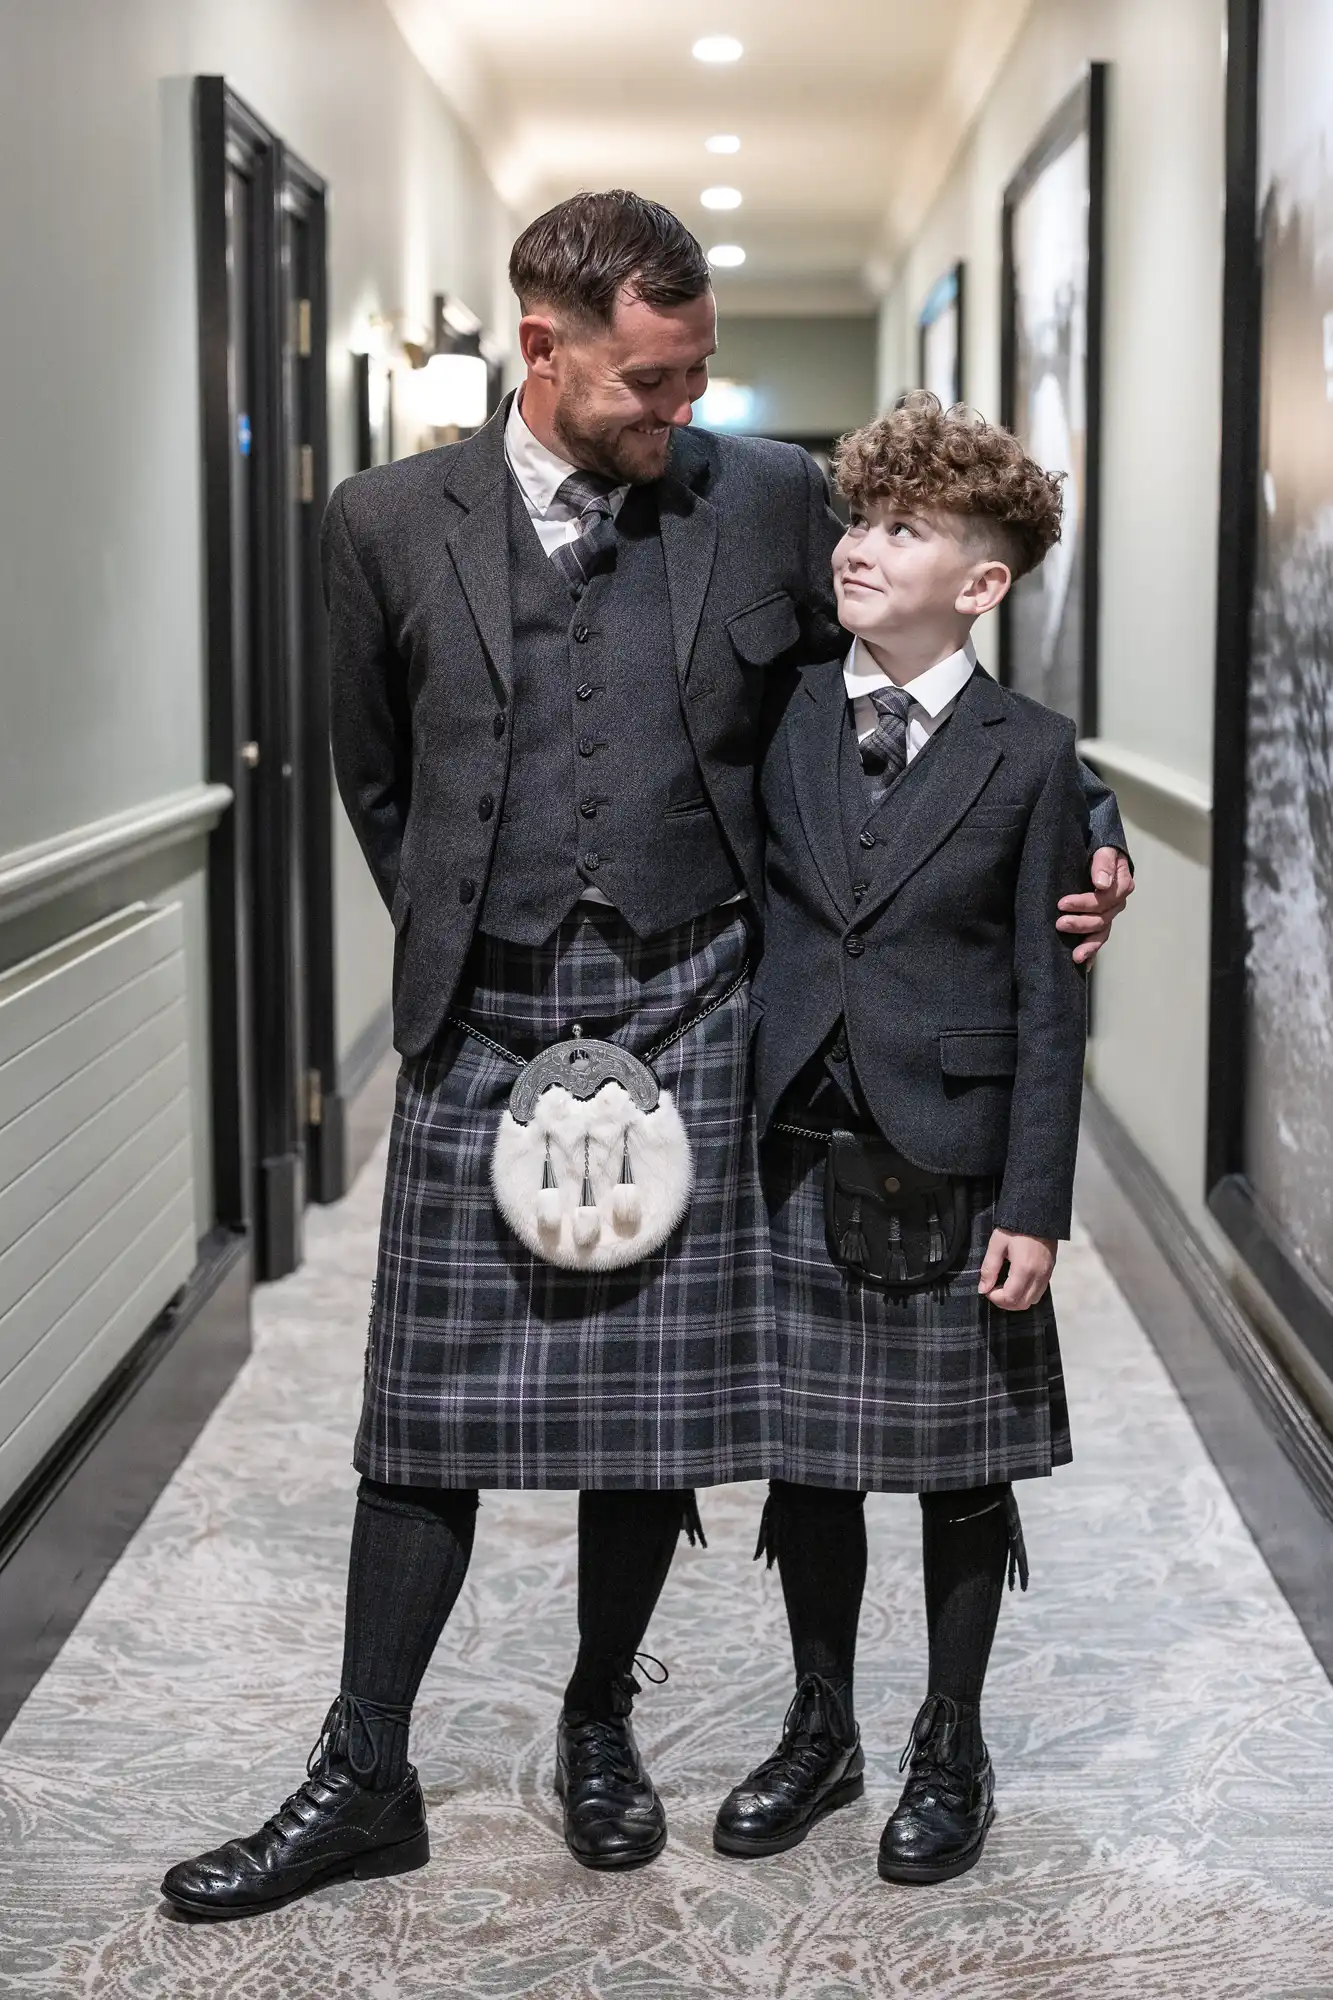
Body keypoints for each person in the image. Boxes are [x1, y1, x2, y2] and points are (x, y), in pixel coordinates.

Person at [161, 198, 1131, 1918]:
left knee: (642, 1418)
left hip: (700, 1002)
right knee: (421, 1414)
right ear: (548, 346)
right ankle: (362, 1766)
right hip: (487, 1015)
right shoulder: (384, 524)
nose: (686, 404)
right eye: (657, 376)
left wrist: (1094, 828)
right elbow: (376, 780)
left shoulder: (760, 498)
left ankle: (599, 1718)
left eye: (701, 374)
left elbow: (916, 671)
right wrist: (468, 930)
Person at [712, 393, 1101, 1886]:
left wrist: (1037, 1200)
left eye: (903, 530)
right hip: (798, 1142)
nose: (860, 548)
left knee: (958, 1470)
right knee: (806, 1463)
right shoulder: (787, 708)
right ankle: (825, 1729)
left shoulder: (1034, 755)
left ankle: (953, 1737)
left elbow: (1047, 1005)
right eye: (857, 521)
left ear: (983, 583)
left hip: (951, 1153)